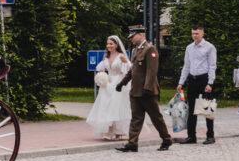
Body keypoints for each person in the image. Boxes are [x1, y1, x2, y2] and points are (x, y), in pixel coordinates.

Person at [115, 24, 173, 152]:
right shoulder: (136, 50)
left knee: (156, 118)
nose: (131, 39)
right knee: (136, 118)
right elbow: (133, 70)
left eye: (133, 36)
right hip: (135, 91)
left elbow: (152, 72)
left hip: (147, 92)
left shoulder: (150, 49)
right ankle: (132, 144)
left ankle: (167, 139)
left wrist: (147, 88)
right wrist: (122, 83)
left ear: (141, 35)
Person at [176, 24, 217, 145]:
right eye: (193, 33)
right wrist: (181, 82)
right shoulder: (189, 48)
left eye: (197, 33)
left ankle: (210, 136)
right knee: (191, 108)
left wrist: (210, 83)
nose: (195, 36)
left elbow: (212, 66)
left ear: (202, 33)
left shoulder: (209, 47)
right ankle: (191, 136)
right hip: (192, 80)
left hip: (204, 79)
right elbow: (186, 66)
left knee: (207, 108)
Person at [86, 35, 132, 140]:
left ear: (116, 45)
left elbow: (129, 69)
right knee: (106, 107)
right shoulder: (106, 56)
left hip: (118, 84)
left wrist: (123, 81)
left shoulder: (121, 56)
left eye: (111, 43)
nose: (108, 46)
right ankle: (111, 131)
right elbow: (100, 68)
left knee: (116, 107)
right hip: (107, 85)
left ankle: (115, 131)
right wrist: (101, 77)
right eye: (107, 43)